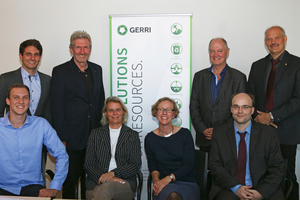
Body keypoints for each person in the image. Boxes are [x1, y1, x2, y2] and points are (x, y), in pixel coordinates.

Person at [50, 30, 105, 199]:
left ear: (90, 49)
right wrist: (62, 138)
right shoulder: (60, 71)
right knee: (70, 182)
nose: (82, 51)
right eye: (78, 48)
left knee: (91, 182)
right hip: (72, 138)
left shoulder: (97, 69)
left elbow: (99, 100)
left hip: (94, 137)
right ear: (71, 49)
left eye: (86, 48)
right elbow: (56, 106)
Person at [247, 25, 300, 200]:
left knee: (287, 176)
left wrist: (271, 116)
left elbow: (298, 99)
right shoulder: (257, 66)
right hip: (260, 131)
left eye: (277, 38)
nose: (273, 42)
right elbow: (250, 97)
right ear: (265, 43)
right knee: (261, 176)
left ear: (284, 39)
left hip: (287, 131)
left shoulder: (297, 64)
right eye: (269, 39)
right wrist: (258, 117)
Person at [209, 93, 284, 200]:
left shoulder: (268, 134)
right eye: (236, 107)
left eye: (245, 107)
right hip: (230, 188)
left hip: (262, 188)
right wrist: (236, 188)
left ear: (252, 110)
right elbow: (214, 166)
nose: (240, 111)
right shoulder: (219, 133)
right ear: (231, 109)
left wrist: (261, 193)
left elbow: (277, 168)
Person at [0, 83, 68, 198]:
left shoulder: (41, 124)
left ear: (29, 101)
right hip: (3, 187)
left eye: (25, 97)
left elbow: (62, 154)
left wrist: (55, 187)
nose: (21, 101)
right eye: (16, 97)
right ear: (8, 101)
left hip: (34, 188)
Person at [190, 38, 246, 152]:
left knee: (227, 170)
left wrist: (220, 131)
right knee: (205, 169)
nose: (215, 55)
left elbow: (241, 109)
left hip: (229, 138)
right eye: (212, 51)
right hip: (205, 138)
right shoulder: (199, 77)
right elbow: (194, 106)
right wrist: (203, 129)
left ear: (227, 51)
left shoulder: (239, 78)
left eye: (219, 51)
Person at [85, 96, 141, 200]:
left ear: (123, 112)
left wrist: (113, 174)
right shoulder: (95, 134)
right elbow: (88, 164)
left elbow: (135, 165)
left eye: (118, 110)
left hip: (123, 183)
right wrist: (105, 178)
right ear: (105, 113)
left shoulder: (132, 135)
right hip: (96, 183)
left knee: (104, 191)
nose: (114, 113)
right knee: (101, 191)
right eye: (111, 110)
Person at [145, 97, 200, 200]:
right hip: (163, 185)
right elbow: (153, 166)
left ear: (174, 114)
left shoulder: (185, 134)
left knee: (174, 196)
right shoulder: (150, 138)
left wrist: (169, 178)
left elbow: (188, 164)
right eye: (161, 109)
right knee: (172, 194)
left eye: (168, 110)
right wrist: (156, 181)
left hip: (186, 183)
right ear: (155, 113)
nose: (164, 113)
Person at [0, 39, 51, 123]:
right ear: (21, 56)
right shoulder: (6, 79)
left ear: (40, 57)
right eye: (28, 54)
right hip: (14, 132)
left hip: (39, 132)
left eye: (36, 55)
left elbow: (49, 112)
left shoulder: (47, 80)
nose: (32, 58)